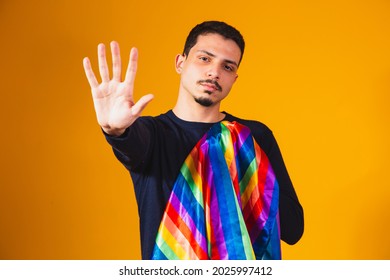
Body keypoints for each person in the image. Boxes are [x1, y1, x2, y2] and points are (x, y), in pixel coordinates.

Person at [83, 21, 304, 260]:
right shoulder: (152, 135)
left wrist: (244, 167)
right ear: (180, 62)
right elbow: (129, 144)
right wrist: (114, 129)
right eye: (204, 59)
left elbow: (293, 229)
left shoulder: (252, 137)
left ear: (234, 79)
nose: (214, 72)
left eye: (227, 67)